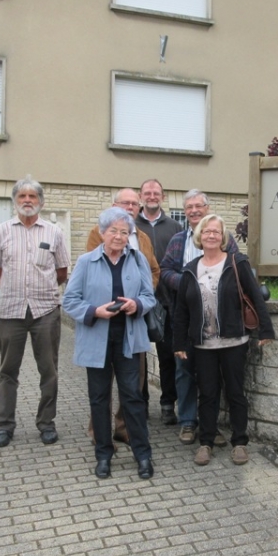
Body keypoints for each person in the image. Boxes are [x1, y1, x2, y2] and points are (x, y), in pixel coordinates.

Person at [63, 207, 156, 480]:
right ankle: (103, 453)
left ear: (129, 235)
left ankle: (143, 454)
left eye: (124, 232)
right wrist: (94, 312)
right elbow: (69, 301)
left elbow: (149, 297)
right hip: (97, 339)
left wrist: (135, 304)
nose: (118, 236)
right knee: (99, 399)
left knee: (133, 398)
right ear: (102, 233)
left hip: (128, 338)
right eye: (113, 231)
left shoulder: (138, 259)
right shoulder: (86, 261)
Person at [172, 214, 273, 466]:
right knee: (207, 394)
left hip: (234, 342)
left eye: (216, 232)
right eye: (207, 232)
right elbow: (181, 310)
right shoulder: (190, 269)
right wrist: (179, 343)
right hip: (203, 345)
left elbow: (256, 297)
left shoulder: (237, 263)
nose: (211, 236)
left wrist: (266, 330)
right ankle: (205, 442)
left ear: (223, 237)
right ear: (199, 236)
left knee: (236, 393)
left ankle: (239, 442)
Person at [0, 177, 71, 448]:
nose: (27, 200)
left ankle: (46, 423)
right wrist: (12, 290)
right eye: (22, 196)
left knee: (49, 370)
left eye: (32, 197)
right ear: (15, 201)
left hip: (45, 311)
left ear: (41, 202)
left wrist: (42, 290)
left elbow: (61, 271)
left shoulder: (54, 232)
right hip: (10, 311)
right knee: (7, 371)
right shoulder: (0, 231)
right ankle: (5, 425)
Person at [160, 190, 240, 445]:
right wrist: (187, 284)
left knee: (212, 377)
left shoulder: (224, 237)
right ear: (184, 212)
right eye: (189, 207)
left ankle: (211, 426)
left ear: (207, 208)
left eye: (198, 206)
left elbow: (238, 269)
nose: (194, 210)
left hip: (218, 322)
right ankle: (187, 422)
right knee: (184, 370)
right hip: (185, 318)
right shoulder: (177, 240)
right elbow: (164, 270)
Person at [85, 188, 160, 443]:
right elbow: (94, 271)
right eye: (124, 203)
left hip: (132, 322)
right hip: (102, 323)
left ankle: (124, 428)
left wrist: (140, 296)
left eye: (134, 204)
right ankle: (99, 434)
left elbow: (154, 270)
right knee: (100, 388)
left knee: (133, 384)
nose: (130, 207)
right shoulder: (98, 232)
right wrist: (98, 308)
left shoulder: (143, 238)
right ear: (114, 205)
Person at [134, 178, 183, 424]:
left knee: (167, 356)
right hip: (137, 303)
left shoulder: (174, 226)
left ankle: (167, 403)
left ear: (162, 197)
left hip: (167, 302)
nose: (152, 196)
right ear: (140, 196)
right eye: (147, 192)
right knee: (137, 355)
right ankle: (140, 402)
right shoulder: (130, 224)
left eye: (156, 193)